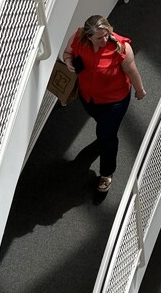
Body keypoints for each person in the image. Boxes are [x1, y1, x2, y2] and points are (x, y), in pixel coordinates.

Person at [63, 14, 147, 193]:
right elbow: (67, 53)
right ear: (88, 37)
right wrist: (69, 62)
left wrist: (140, 90)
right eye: (99, 37)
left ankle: (106, 173)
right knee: (103, 128)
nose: (105, 39)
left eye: (107, 34)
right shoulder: (78, 38)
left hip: (114, 101)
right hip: (89, 98)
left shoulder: (121, 47)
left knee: (107, 137)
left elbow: (132, 71)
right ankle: (103, 135)